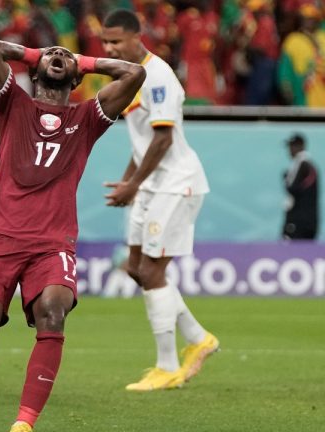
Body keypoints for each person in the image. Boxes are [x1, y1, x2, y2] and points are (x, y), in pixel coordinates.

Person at [0, 36, 146, 432]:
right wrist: (38, 55)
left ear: (76, 77)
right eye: (50, 54)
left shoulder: (88, 118)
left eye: (65, 56)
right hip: (1, 235)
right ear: (35, 69)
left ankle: (24, 424)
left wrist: (81, 60)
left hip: (53, 243)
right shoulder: (12, 103)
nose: (58, 56)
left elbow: (134, 72)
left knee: (53, 315)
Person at [100, 9, 219, 392]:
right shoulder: (129, 77)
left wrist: (133, 185)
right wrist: (128, 180)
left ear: (138, 37)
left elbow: (163, 138)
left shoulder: (159, 77)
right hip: (151, 184)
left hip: (176, 184)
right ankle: (199, 338)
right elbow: (142, 141)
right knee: (136, 269)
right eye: (105, 42)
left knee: (152, 271)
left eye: (116, 41)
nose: (109, 48)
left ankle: (167, 366)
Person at [282, 134, 319, 240]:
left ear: (300, 146)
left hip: (300, 221)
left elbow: (294, 189)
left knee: (289, 250)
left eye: (292, 146)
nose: (289, 150)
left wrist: (286, 179)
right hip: (302, 221)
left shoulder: (304, 165)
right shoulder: (303, 165)